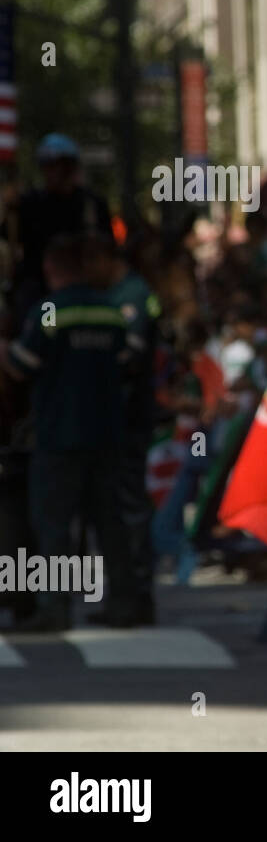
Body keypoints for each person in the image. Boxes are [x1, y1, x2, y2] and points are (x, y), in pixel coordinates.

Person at [0, 236, 130, 631]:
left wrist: (3, 348)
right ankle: (124, 604)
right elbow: (125, 362)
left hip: (59, 436)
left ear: (51, 270)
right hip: (107, 435)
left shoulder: (52, 311)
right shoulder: (111, 311)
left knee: (53, 524)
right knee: (110, 523)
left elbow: (23, 365)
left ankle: (53, 609)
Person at [85, 233, 161, 626]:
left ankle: (136, 597)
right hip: (117, 419)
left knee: (129, 508)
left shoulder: (131, 295)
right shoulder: (119, 294)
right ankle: (125, 596)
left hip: (128, 418)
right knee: (117, 508)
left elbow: (127, 356)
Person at [10, 134, 113, 328]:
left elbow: (107, 247)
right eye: (48, 166)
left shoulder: (91, 204)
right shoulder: (30, 203)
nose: (54, 172)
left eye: (60, 165)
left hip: (87, 285)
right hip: (41, 287)